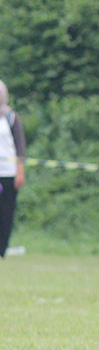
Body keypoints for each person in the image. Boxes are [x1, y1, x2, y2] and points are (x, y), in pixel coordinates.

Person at [0, 80, 27, 258]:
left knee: (6, 213)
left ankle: (1, 249)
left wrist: (20, 170)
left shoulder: (11, 117)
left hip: (8, 173)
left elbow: (20, 146)